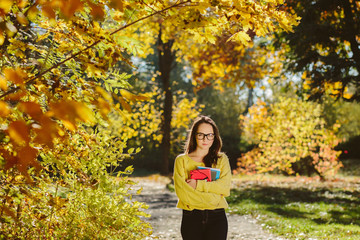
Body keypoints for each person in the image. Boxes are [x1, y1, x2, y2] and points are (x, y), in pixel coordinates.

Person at [173, 115, 232, 240]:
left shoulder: (221, 160)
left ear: (214, 137)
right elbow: (183, 194)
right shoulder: (181, 160)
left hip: (217, 219)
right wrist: (213, 195)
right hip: (191, 219)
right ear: (194, 136)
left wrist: (197, 185)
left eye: (210, 135)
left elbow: (225, 189)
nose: (205, 139)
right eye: (201, 135)